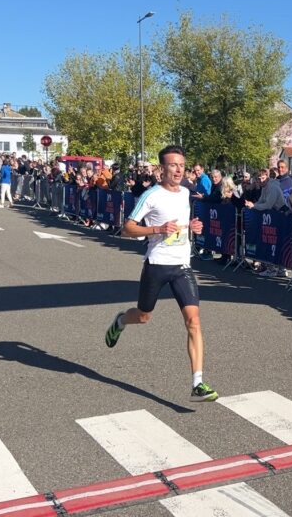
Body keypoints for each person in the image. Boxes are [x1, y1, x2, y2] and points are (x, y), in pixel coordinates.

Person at [104, 145, 218, 403]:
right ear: (162, 169)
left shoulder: (186, 193)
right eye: (173, 165)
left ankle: (197, 383)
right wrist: (157, 229)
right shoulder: (152, 195)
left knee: (194, 321)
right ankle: (121, 321)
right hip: (156, 265)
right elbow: (127, 229)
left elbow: (181, 226)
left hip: (182, 266)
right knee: (144, 316)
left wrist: (193, 227)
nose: (178, 169)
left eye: (181, 165)